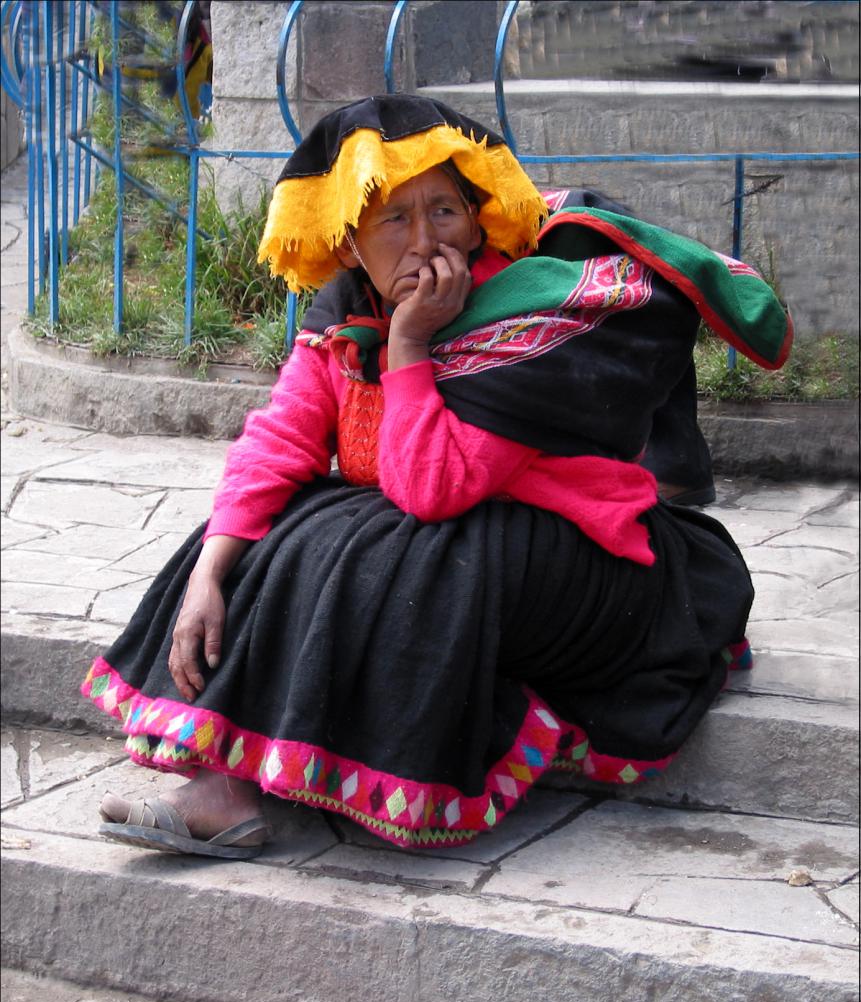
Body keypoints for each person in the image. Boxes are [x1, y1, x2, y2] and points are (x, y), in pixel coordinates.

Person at [88, 94, 791, 858]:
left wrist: (411, 344)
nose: (426, 241)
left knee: (392, 548)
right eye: (394, 219)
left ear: (477, 216)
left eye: (445, 212)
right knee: (274, 529)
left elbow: (434, 488)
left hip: (592, 568)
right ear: (351, 244)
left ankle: (357, 766)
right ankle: (226, 783)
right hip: (471, 546)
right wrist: (211, 572)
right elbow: (277, 445)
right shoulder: (346, 319)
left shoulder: (530, 315)